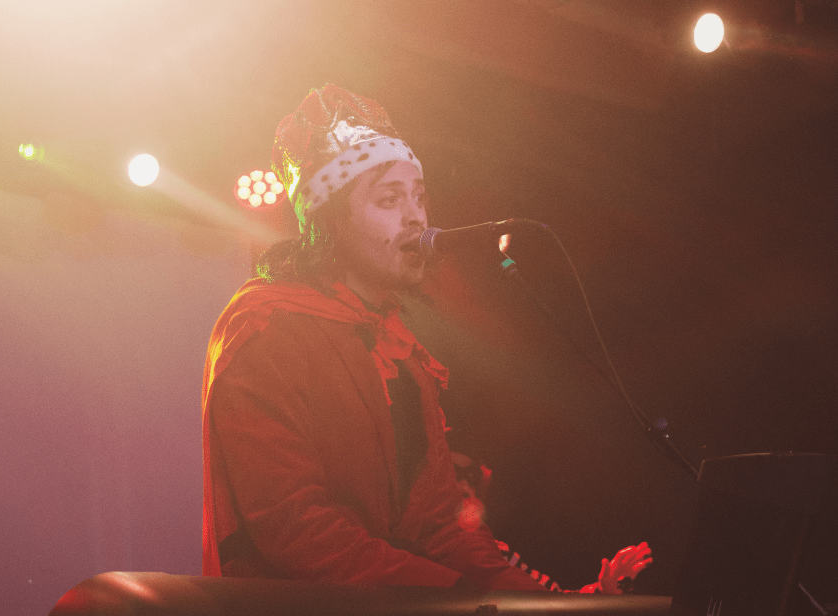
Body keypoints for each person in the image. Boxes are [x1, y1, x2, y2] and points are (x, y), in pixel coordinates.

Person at [201, 84, 651, 592]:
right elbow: (294, 528)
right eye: (389, 199)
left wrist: (565, 604)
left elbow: (443, 529)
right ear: (329, 220)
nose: (416, 216)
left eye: (418, 197)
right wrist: (457, 597)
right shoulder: (264, 327)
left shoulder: (398, 349)